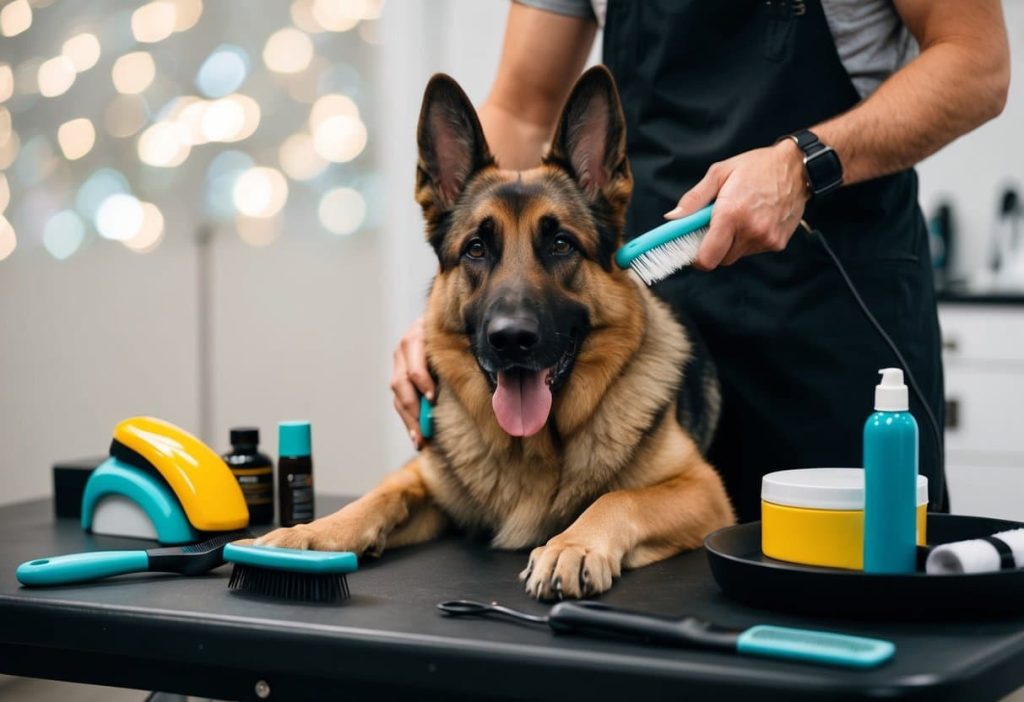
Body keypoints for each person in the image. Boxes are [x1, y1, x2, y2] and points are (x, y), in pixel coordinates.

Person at [391, 0, 1010, 521]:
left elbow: (976, 65)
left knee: (851, 604)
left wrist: (803, 163)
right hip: (656, 325)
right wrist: (473, 309)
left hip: (836, 314)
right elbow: (524, 107)